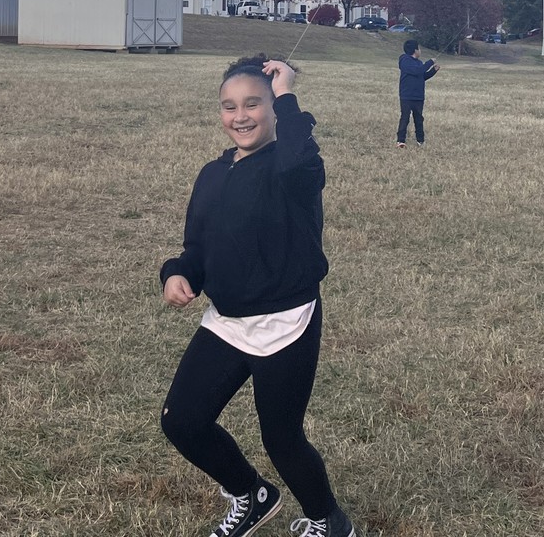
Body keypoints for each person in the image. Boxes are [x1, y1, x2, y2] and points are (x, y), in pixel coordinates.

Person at [160, 54, 356, 537]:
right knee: (182, 421)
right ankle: (253, 494)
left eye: (254, 104)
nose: (240, 116)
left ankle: (329, 521)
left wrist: (288, 93)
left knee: (282, 438)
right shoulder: (212, 173)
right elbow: (197, 246)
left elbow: (299, 160)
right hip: (227, 321)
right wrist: (177, 273)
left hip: (285, 321)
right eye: (229, 107)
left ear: (274, 109)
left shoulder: (293, 170)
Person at [396, 39, 439, 148]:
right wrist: (430, 62)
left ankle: (420, 140)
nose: (420, 51)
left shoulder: (419, 63)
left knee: (419, 119)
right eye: (419, 49)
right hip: (406, 95)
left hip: (418, 96)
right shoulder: (404, 60)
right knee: (405, 117)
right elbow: (417, 71)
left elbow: (422, 76)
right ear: (415, 50)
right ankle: (401, 141)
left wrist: (433, 71)